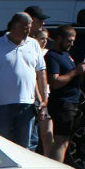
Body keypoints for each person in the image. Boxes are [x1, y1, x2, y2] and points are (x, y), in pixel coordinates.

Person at [0, 13, 47, 149]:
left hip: (27, 104)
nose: (28, 31)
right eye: (25, 28)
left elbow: (41, 72)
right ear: (14, 27)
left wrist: (44, 99)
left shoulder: (33, 44)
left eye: (29, 28)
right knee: (1, 146)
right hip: (2, 105)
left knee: (24, 147)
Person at [46, 25, 85, 164]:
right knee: (61, 140)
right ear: (59, 38)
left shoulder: (66, 55)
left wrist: (81, 72)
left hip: (72, 102)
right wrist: (75, 71)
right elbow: (55, 82)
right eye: (69, 40)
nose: (71, 44)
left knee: (65, 140)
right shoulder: (52, 56)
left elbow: (71, 77)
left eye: (73, 41)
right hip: (62, 103)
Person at [33, 27, 52, 155]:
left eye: (46, 39)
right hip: (34, 97)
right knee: (32, 136)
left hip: (47, 96)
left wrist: (44, 99)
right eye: (42, 39)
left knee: (47, 134)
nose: (44, 41)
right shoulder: (32, 53)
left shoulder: (48, 54)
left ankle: (49, 159)